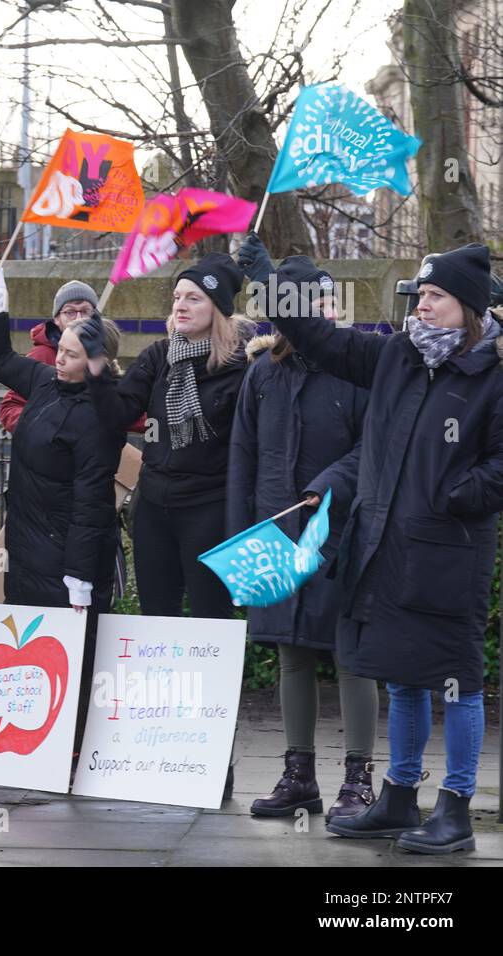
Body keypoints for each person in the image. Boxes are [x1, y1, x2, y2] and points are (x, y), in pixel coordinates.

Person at [243, 234, 502, 854]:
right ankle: (398, 796)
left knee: (456, 682)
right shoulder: (397, 358)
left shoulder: (491, 375)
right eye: (420, 295)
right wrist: (272, 282)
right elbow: (321, 338)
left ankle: (457, 807)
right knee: (402, 677)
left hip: (447, 555)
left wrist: (454, 494)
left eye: (436, 297)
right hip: (385, 550)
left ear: (468, 307)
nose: (421, 307)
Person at [226, 255, 376, 823]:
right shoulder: (263, 372)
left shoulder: (359, 367)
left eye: (326, 299)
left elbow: (374, 449)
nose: (325, 309)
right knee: (291, 654)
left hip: (346, 533)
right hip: (277, 533)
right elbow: (243, 455)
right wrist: (245, 534)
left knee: (350, 655)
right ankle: (299, 777)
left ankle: (358, 779)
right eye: (312, 301)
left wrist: (328, 485)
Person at [0, 265, 125, 758]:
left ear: (96, 363)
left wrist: (80, 575)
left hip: (67, 555)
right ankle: (32, 747)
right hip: (28, 544)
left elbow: (92, 503)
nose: (58, 358)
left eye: (72, 355)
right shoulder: (43, 380)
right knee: (32, 651)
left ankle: (76, 748)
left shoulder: (99, 419)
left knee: (74, 655)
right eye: (59, 349)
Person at [85, 253, 255, 621]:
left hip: (209, 508)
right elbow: (116, 414)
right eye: (178, 297)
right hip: (154, 506)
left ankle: (210, 680)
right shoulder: (160, 355)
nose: (181, 305)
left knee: (211, 615)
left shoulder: (241, 365)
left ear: (218, 308)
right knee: (157, 614)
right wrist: (96, 365)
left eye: (193, 298)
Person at [0, 279, 98, 434]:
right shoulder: (42, 355)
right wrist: (47, 428)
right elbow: (9, 408)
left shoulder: (102, 355)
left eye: (85, 311)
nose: (78, 318)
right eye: (70, 312)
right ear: (57, 319)